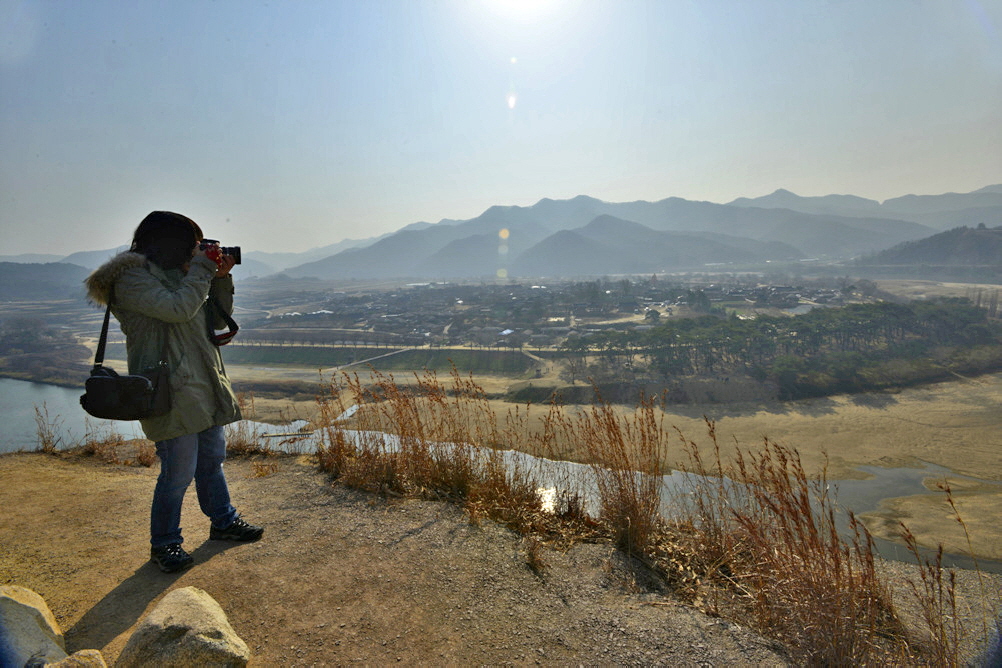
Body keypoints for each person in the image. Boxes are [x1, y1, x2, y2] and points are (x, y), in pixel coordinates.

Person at [85, 211, 262, 572]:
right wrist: (201, 269)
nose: (200, 250)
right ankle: (165, 543)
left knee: (212, 460)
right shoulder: (131, 278)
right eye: (194, 244)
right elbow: (177, 309)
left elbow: (214, 320)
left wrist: (220, 279)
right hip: (168, 387)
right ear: (170, 242)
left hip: (203, 380)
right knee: (178, 471)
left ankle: (223, 521)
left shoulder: (182, 272)